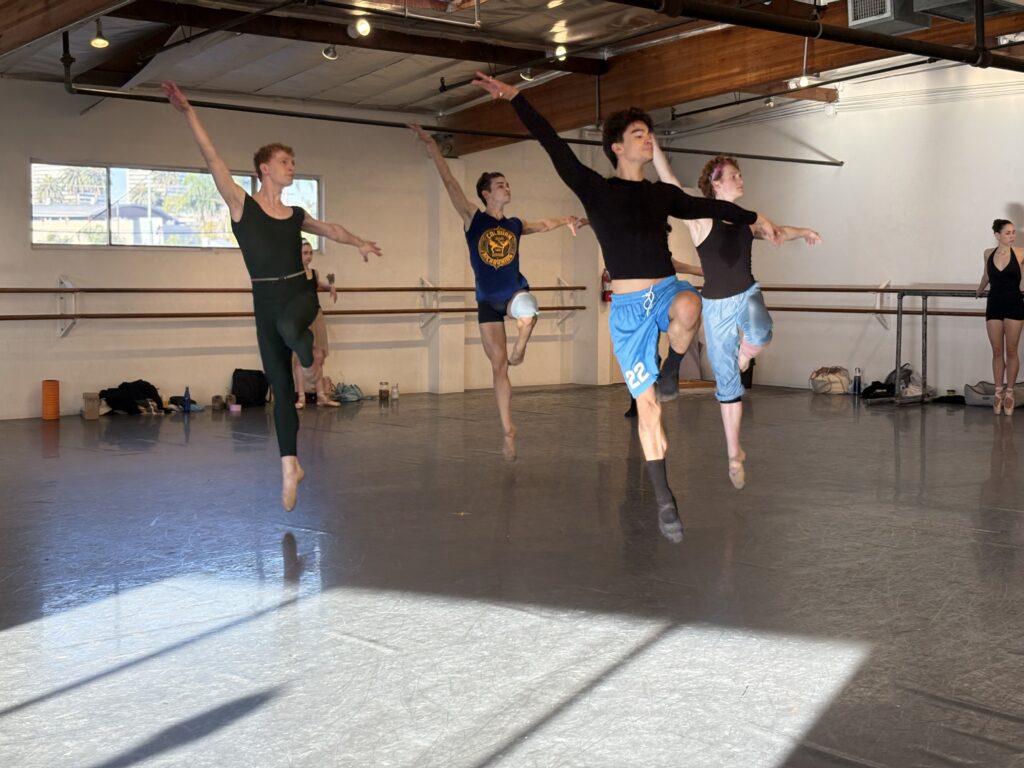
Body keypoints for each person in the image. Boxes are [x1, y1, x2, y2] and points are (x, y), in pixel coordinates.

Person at [471, 72, 780, 541]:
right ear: (617, 146)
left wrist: (755, 217)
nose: (647, 139)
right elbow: (553, 144)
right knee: (647, 408)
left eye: (648, 133)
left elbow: (709, 208)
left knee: (690, 307)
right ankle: (664, 498)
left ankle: (671, 367)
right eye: (638, 134)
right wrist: (517, 98)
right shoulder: (594, 188)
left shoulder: (661, 194)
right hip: (629, 310)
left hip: (666, 291)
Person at [162, 82, 382, 511]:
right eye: (285, 162)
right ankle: (289, 468)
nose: (292, 167)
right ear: (264, 168)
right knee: (281, 389)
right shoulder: (241, 206)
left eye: (293, 163)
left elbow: (331, 230)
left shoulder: (296, 214)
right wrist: (189, 113)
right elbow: (212, 159)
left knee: (289, 328)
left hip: (299, 294)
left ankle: (309, 354)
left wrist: (358, 242)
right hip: (264, 302)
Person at [409, 122, 587, 461]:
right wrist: (432, 146)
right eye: (501, 185)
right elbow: (449, 182)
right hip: (486, 302)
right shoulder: (473, 219)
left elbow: (543, 224)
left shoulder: (514, 224)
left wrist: (567, 219)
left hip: (513, 293)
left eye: (507, 184)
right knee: (498, 368)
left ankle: (521, 346)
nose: (507, 188)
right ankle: (508, 430)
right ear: (486, 193)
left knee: (529, 310)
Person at [652, 148, 820, 488]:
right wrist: (653, 144)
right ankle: (734, 454)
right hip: (716, 308)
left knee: (761, 331)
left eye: (740, 175)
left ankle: (745, 354)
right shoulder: (700, 219)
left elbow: (778, 231)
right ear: (716, 184)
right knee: (727, 384)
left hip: (746, 294)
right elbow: (670, 181)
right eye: (734, 176)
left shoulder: (747, 219)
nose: (741, 179)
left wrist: (804, 232)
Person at [976, 219, 1024, 415]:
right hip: (994, 304)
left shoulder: (1020, 253)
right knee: (997, 350)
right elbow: (986, 276)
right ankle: (998, 392)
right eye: (1008, 233)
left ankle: (1010, 393)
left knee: (1011, 350)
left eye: (1013, 232)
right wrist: (979, 290)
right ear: (997, 235)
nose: (1012, 236)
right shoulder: (988, 253)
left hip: (1015, 304)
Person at [292, 239, 340, 409]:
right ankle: (301, 397)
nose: (309, 256)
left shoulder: (314, 273)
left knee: (318, 356)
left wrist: (331, 286)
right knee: (299, 357)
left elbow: (322, 283)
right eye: (305, 253)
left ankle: (321, 395)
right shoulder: (293, 275)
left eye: (311, 253)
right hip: (300, 318)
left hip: (315, 315)